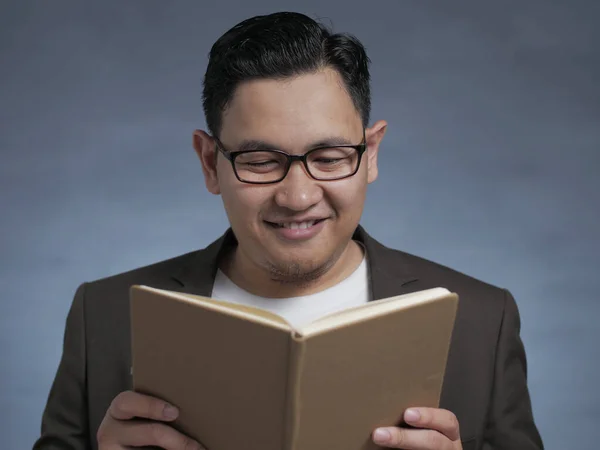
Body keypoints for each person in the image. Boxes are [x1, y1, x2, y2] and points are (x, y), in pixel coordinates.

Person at [33, 11, 544, 450]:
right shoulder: (103, 317)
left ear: (371, 155)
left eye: (328, 157)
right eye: (259, 161)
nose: (298, 197)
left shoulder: (483, 322)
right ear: (210, 163)